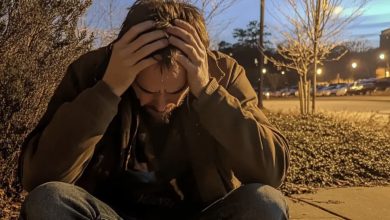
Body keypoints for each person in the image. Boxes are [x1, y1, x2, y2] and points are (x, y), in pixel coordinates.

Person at [18, 0, 290, 219]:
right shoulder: (92, 72)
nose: (161, 104)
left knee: (264, 203)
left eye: (175, 92)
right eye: (146, 91)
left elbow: (270, 172)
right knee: (49, 201)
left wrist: (208, 92)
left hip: (203, 213)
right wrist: (108, 90)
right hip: (108, 214)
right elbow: (39, 177)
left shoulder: (223, 73)